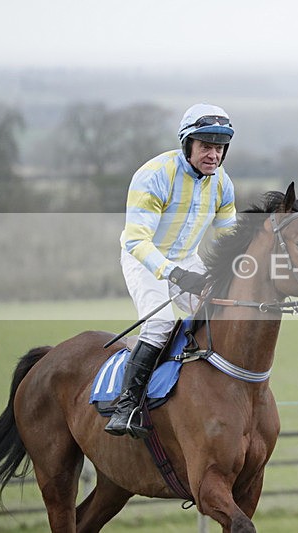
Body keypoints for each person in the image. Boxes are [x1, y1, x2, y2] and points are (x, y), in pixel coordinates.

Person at [105, 103, 237, 438]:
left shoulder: (222, 184)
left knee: (221, 311)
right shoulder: (154, 175)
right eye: (206, 146)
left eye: (219, 148)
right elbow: (136, 240)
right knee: (161, 323)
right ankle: (126, 406)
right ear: (187, 144)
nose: (213, 155)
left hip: (187, 259)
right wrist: (175, 275)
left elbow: (229, 240)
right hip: (143, 258)